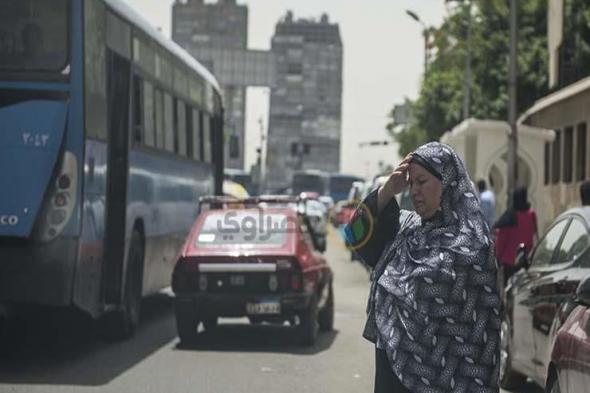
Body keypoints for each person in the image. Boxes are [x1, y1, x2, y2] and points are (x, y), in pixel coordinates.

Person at [344, 142, 500, 393]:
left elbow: (476, 328)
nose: (414, 191)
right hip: (392, 375)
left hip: (451, 382)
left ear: (447, 181)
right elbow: (353, 234)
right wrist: (387, 191)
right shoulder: (405, 229)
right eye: (411, 183)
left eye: (422, 182)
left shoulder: (474, 246)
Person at [494, 186, 537, 285]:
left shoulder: (510, 216)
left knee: (508, 291)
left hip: (509, 262)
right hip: (525, 261)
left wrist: (497, 257)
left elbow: (501, 240)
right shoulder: (531, 214)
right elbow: (533, 235)